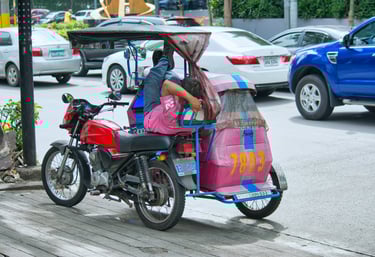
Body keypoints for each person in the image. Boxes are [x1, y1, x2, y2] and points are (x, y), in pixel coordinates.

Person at [143, 45, 202, 135]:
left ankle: (164, 60)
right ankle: (163, 64)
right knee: (173, 79)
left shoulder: (173, 111)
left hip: (151, 115)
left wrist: (191, 99)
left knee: (152, 79)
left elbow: (166, 85)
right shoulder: (200, 109)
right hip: (171, 121)